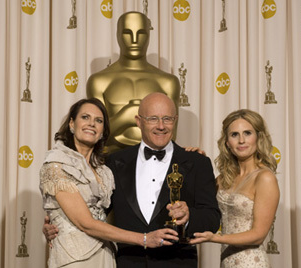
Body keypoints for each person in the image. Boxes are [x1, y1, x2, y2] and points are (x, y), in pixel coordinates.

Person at [44, 93, 221, 268]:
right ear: (138, 121)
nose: (161, 126)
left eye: (167, 119)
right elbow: (93, 210)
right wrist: (57, 221)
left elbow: (212, 219)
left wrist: (189, 217)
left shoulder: (197, 162)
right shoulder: (113, 163)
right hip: (126, 262)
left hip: (177, 263)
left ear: (175, 120)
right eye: (153, 118)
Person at [189, 109, 280, 268]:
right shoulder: (224, 179)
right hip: (226, 261)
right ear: (226, 142)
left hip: (252, 263)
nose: (241, 140)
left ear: (258, 138)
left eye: (247, 133)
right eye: (234, 135)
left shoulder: (265, 178)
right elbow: (198, 199)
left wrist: (215, 238)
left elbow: (258, 235)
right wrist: (195, 162)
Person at [86, 11, 180, 153]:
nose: (134, 40)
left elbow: (169, 136)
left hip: (158, 164)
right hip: (109, 164)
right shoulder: (99, 81)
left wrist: (118, 124)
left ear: (149, 36)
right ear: (117, 35)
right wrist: (125, 116)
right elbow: (97, 135)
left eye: (141, 33)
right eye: (127, 33)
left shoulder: (168, 82)